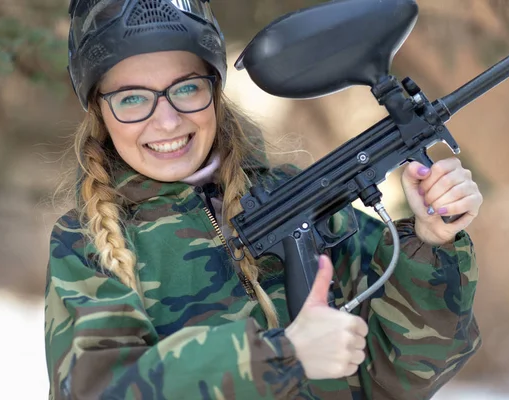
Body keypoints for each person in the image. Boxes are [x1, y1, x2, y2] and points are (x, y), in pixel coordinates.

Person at [44, 1, 483, 399]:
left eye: (186, 88)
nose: (166, 121)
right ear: (99, 109)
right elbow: (97, 391)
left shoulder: (298, 199)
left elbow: (402, 377)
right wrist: (283, 355)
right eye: (132, 98)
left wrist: (430, 241)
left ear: (214, 90)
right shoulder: (86, 243)